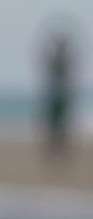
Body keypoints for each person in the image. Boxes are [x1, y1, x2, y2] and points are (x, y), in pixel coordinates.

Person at [41, 24, 77, 165]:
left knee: (62, 126)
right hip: (54, 97)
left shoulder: (65, 59)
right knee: (53, 126)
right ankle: (53, 151)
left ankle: (61, 151)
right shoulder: (55, 59)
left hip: (62, 97)